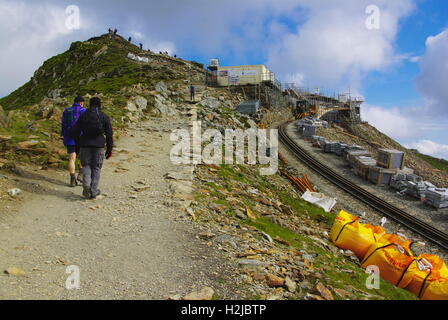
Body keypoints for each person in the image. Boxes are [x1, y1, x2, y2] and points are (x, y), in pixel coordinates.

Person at [71, 97, 113, 199]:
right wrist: (109, 150)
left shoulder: (83, 115)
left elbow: (75, 132)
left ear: (89, 104)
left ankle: (86, 186)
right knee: (96, 168)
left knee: (86, 166)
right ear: (100, 104)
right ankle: (94, 191)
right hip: (99, 145)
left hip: (85, 145)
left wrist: (77, 147)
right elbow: (109, 134)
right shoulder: (103, 116)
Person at [61, 96, 86, 187]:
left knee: (72, 159)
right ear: (81, 103)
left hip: (69, 137)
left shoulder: (67, 110)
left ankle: (72, 180)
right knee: (83, 157)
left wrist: (63, 135)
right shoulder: (84, 110)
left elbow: (63, 124)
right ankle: (80, 175)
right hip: (81, 137)